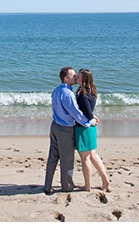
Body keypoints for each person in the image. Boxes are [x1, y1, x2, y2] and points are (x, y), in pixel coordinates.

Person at [43, 67, 98, 195]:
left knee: (52, 157)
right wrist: (90, 121)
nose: (75, 77)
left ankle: (47, 185)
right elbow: (76, 114)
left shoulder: (56, 90)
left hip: (55, 126)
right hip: (64, 129)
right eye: (73, 76)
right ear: (66, 78)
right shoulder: (68, 94)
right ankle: (67, 187)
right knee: (67, 159)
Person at [74, 69, 110, 192]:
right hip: (90, 128)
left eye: (78, 76)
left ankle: (87, 186)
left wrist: (91, 117)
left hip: (83, 128)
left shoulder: (82, 93)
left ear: (83, 79)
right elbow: (90, 112)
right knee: (93, 155)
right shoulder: (92, 90)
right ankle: (105, 179)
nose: (76, 78)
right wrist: (92, 117)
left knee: (85, 158)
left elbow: (88, 113)